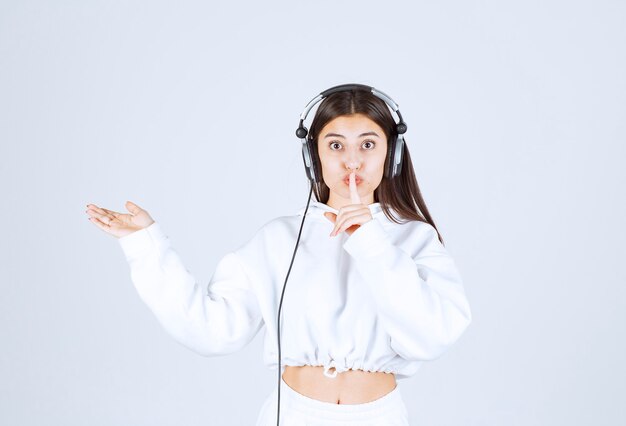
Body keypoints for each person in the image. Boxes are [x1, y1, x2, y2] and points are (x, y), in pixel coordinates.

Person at [85, 86, 472, 425]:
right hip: (293, 415)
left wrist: (371, 242)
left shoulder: (414, 239)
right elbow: (212, 330)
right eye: (335, 145)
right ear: (313, 155)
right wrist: (146, 246)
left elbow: (432, 337)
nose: (352, 161)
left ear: (392, 153)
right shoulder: (279, 239)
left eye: (367, 144)